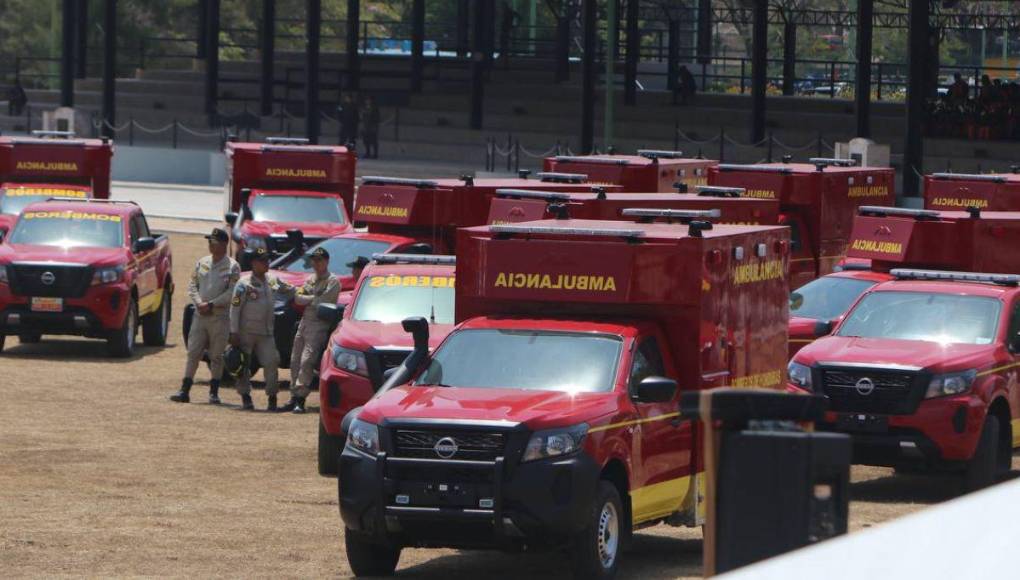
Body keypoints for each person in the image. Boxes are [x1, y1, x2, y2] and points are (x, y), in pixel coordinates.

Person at [171, 228, 240, 404]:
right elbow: (192, 285)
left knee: (216, 356)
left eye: (214, 242)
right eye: (209, 241)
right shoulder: (202, 262)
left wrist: (211, 304)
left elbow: (232, 292)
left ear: (224, 244)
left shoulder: (232, 266)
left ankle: (214, 392)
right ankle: (184, 390)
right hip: (200, 316)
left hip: (219, 316)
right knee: (193, 352)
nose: (210, 245)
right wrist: (199, 302)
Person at [229, 248, 295, 411]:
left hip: (266, 332)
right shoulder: (243, 284)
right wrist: (233, 331)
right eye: (262, 261)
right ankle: (245, 397)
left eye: (267, 260)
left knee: (272, 362)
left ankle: (272, 397)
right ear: (253, 263)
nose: (266, 264)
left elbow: (290, 289)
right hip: (246, 331)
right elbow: (235, 308)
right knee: (243, 365)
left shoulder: (272, 280)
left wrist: (304, 292)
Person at [279, 247, 341, 414]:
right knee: (295, 360)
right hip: (305, 322)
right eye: (314, 260)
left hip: (319, 324)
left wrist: (309, 300)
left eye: (319, 260)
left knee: (307, 360)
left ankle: (300, 398)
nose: (315, 263)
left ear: (326, 261)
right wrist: (312, 299)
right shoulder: (311, 279)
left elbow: (324, 302)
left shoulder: (333, 281)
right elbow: (298, 298)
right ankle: (293, 396)